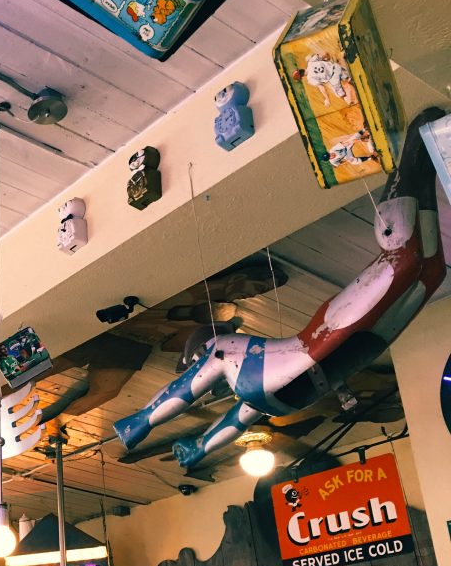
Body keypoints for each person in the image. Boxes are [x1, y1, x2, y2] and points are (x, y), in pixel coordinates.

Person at [114, 107, 447, 469]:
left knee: (417, 266)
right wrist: (172, 433)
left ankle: (419, 155)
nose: (200, 371)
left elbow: (209, 406)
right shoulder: (236, 372)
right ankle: (422, 153)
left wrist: (172, 434)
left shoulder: (237, 368)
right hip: (324, 357)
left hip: (312, 364)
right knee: (419, 269)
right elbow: (217, 403)